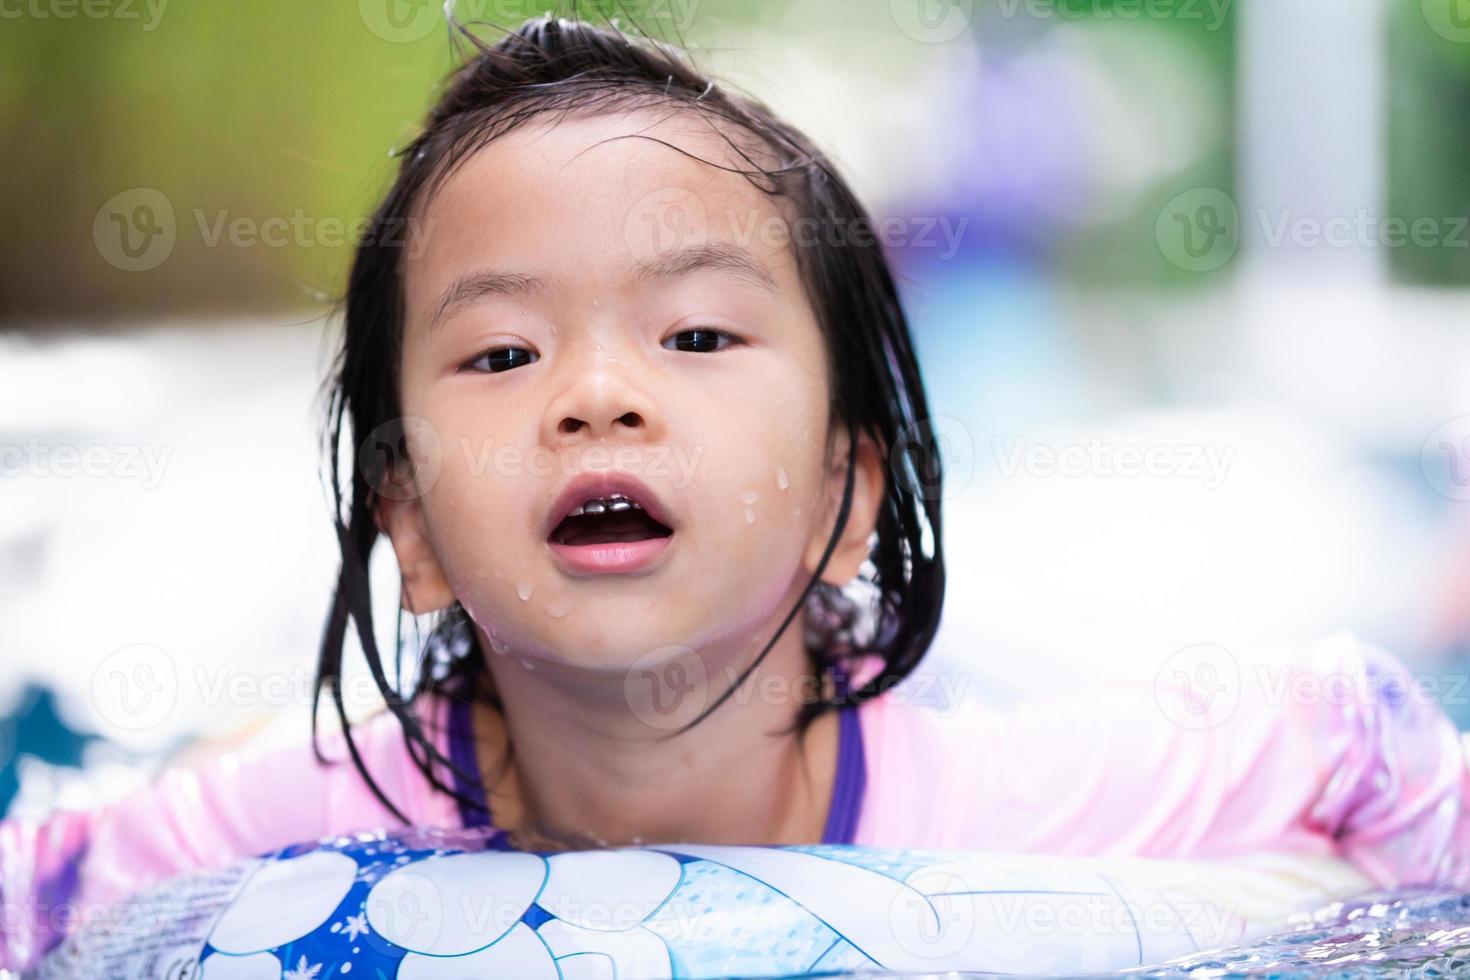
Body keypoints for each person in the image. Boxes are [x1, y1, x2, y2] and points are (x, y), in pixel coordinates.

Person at [4, 14, 1468, 973]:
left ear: (844, 502)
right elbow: (47, 884)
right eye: (503, 350)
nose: (595, 392)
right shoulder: (341, 796)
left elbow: (1349, 732)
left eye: (696, 334)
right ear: (412, 531)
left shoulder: (996, 795)